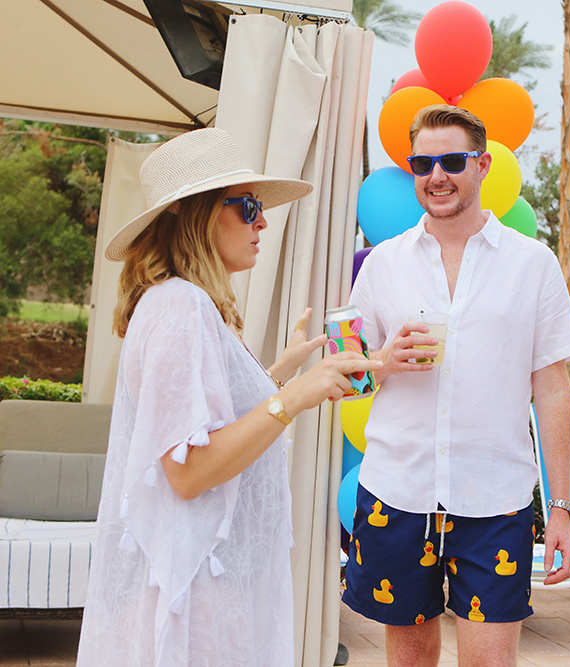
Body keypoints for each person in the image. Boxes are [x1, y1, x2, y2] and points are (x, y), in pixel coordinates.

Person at [76, 128, 381, 666]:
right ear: (196, 215)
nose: (263, 220)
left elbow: (196, 426)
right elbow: (188, 471)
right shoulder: (181, 307)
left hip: (203, 583)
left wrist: (274, 376)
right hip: (196, 594)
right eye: (247, 206)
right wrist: (293, 399)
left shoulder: (180, 305)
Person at [342, 105, 570, 666]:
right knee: (408, 659)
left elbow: (552, 390)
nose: (437, 175)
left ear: (482, 165)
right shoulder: (381, 265)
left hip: (494, 498)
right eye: (423, 163)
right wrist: (383, 359)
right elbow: (345, 376)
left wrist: (562, 509)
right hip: (396, 491)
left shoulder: (534, 264)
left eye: (452, 160)